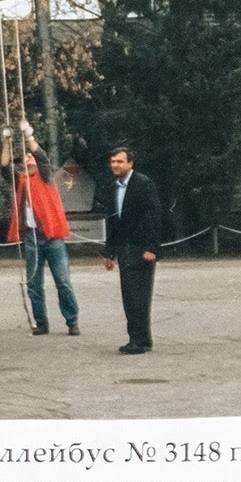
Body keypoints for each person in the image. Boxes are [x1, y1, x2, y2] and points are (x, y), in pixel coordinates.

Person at [0, 125, 79, 337]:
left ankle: (72, 321)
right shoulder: (21, 181)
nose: (29, 159)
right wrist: (6, 142)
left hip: (52, 237)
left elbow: (41, 157)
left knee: (62, 281)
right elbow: (5, 166)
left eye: (31, 157)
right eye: (26, 158)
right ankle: (41, 324)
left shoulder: (45, 176)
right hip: (32, 237)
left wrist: (29, 136)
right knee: (34, 285)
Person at [102, 145, 162, 354]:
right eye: (113, 162)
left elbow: (154, 216)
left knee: (140, 295)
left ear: (130, 163)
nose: (115, 165)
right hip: (124, 247)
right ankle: (138, 338)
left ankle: (139, 339)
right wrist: (109, 252)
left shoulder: (143, 184)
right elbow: (112, 222)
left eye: (119, 161)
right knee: (129, 294)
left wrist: (151, 247)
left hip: (141, 247)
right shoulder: (113, 188)